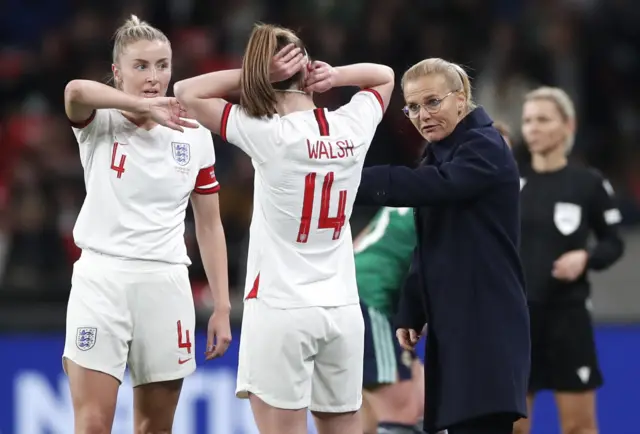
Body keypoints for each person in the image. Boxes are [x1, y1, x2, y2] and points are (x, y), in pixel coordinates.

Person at [173, 23, 394, 434]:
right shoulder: (352, 127)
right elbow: (384, 76)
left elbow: (186, 91)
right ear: (307, 68)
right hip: (342, 308)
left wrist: (256, 75)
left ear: (263, 72)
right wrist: (336, 75)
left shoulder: (267, 135)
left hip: (280, 307)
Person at [62, 15, 232, 434]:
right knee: (92, 425)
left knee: (155, 428)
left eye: (162, 65)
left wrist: (223, 306)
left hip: (166, 283)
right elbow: (75, 90)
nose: (154, 77)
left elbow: (209, 225)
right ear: (118, 73)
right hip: (101, 280)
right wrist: (139, 106)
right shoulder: (99, 122)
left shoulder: (193, 134)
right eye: (141, 66)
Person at [354, 57, 530, 434]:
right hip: (457, 323)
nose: (423, 115)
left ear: (461, 97)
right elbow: (432, 237)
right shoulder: (442, 151)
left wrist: (348, 177)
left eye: (433, 102)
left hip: (486, 324)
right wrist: (412, 309)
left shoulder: (485, 145)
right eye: (413, 107)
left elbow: (434, 187)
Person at [513, 87, 625, 434]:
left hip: (567, 318)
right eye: (528, 120)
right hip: (518, 321)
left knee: (579, 426)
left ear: (567, 126)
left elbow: (614, 243)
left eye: (543, 119)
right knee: (512, 426)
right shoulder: (508, 183)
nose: (533, 127)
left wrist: (586, 257)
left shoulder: (587, 184)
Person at [354, 207, 424, 434]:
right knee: (405, 408)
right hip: (371, 299)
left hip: (350, 290)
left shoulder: (412, 192)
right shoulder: (448, 198)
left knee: (366, 416)